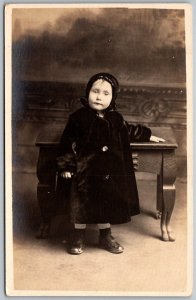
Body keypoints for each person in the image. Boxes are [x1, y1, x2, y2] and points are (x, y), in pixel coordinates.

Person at [56, 72, 164, 255]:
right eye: (95, 91)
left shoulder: (115, 119)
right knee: (80, 206)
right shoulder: (78, 119)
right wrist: (66, 166)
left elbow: (129, 130)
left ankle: (105, 236)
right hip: (84, 174)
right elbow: (67, 143)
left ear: (113, 98)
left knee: (105, 205)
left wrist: (147, 135)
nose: (99, 97)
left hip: (107, 174)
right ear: (87, 92)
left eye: (106, 93)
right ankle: (78, 235)